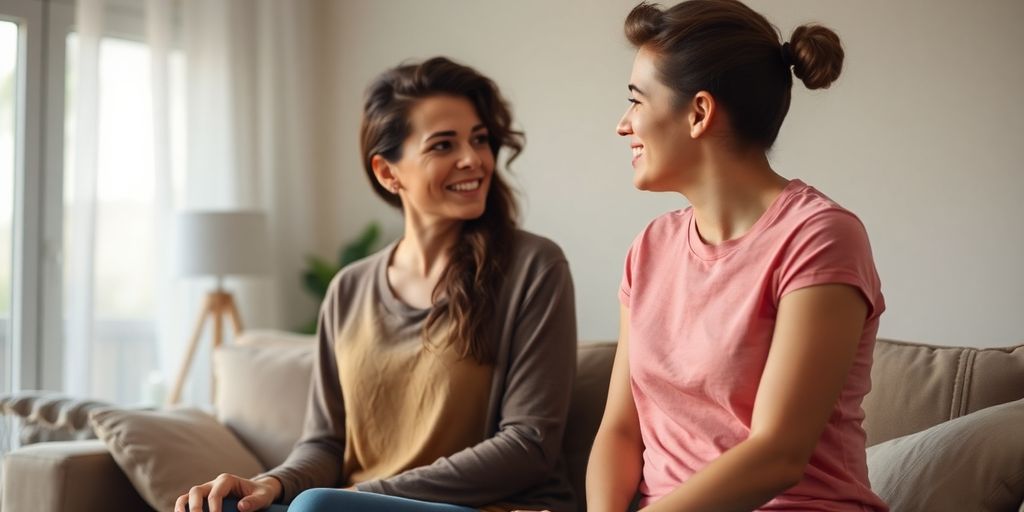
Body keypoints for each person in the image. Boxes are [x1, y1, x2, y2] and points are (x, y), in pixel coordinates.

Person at [175, 56, 578, 512]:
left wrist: (355, 497)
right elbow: (326, 444)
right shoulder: (349, 289)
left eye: (479, 139)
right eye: (443, 145)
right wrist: (272, 484)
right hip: (351, 506)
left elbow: (529, 445)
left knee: (315, 509)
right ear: (388, 173)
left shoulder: (535, 267)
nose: (473, 159)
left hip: (492, 506)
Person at [586, 1, 889, 511]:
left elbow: (777, 454)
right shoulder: (649, 249)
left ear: (699, 113)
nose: (623, 124)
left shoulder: (820, 237)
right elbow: (619, 430)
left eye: (637, 101)